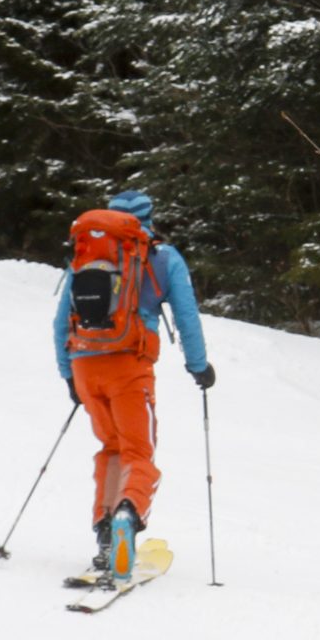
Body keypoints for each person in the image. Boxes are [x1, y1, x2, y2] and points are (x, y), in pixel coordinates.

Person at [52, 189, 215, 578]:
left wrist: (68, 374)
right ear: (149, 216)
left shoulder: (86, 254)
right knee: (138, 451)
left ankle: (105, 532)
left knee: (110, 446)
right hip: (129, 364)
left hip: (85, 365)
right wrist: (199, 366)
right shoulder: (161, 256)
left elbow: (61, 321)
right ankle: (128, 513)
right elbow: (186, 315)